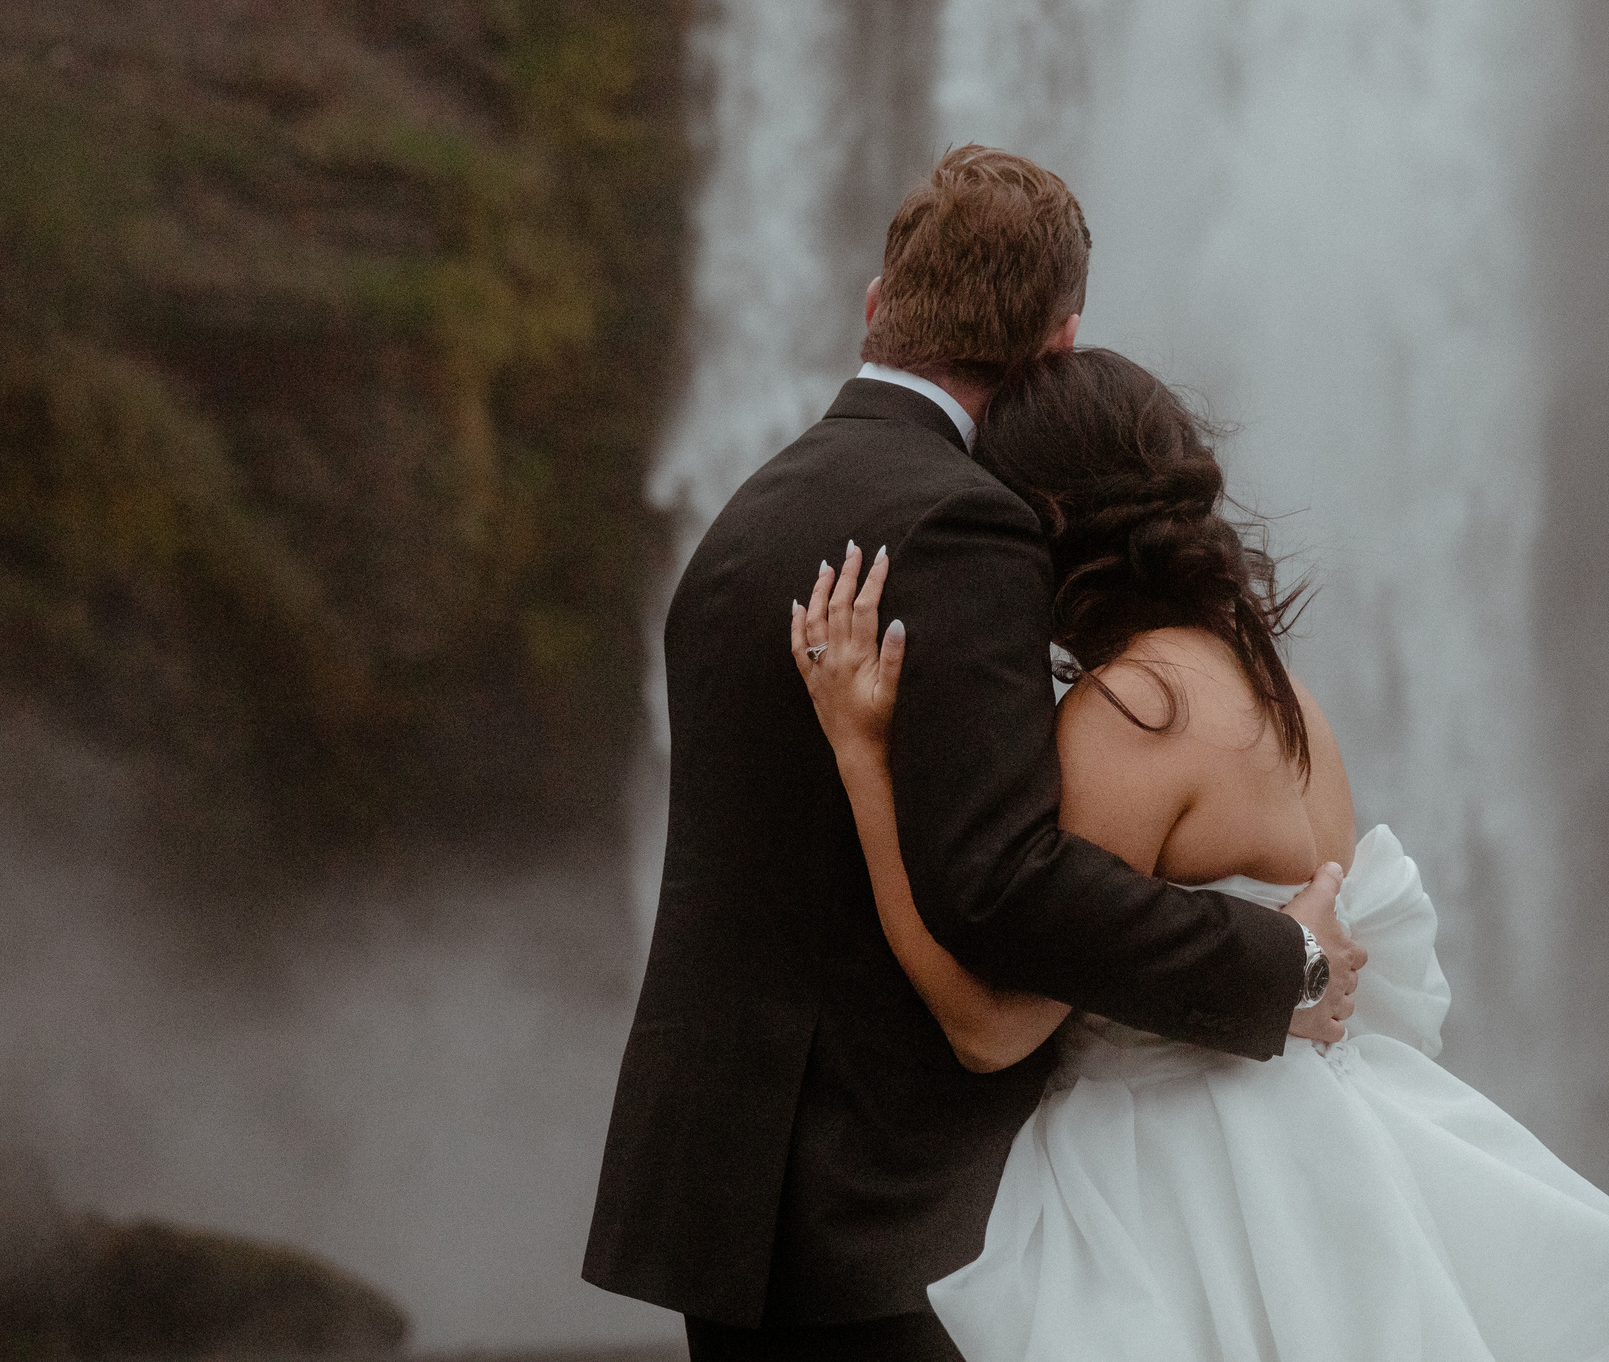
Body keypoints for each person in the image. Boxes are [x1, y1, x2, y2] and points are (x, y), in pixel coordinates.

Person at [583, 147, 1364, 1361]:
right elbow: (1002, 884)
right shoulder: (964, 521)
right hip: (877, 1205)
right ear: (1058, 344)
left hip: (725, 1196)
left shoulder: (748, 513)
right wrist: (1280, 964)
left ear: (876, 303)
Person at [788, 346, 1609, 1361]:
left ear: (1042, 519)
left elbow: (992, 1029)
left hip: (1171, 1188)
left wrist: (861, 754)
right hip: (1322, 1165)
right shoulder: (1285, 699)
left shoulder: (1133, 712)